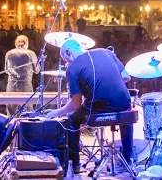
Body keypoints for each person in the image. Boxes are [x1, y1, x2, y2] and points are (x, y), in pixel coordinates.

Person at [45, 39, 132, 172]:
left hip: (98, 111)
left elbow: (75, 104)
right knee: (126, 113)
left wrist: (56, 112)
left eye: (65, 59)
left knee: (71, 119)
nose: (66, 63)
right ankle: (128, 159)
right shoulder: (106, 52)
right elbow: (126, 77)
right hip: (123, 105)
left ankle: (75, 164)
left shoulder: (73, 69)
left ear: (69, 52)